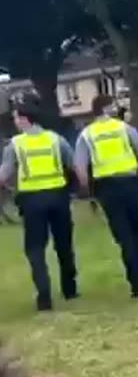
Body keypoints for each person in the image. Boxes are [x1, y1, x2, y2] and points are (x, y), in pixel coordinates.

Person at [74, 95, 138, 298]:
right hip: (129, 183)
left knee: (123, 234)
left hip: (106, 187)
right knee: (136, 229)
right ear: (106, 108)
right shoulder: (124, 128)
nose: (116, 109)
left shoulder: (86, 134)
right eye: (113, 105)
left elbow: (80, 166)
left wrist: (86, 190)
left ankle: (136, 283)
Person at [0, 96, 78, 311]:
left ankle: (44, 295)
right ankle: (70, 288)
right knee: (64, 244)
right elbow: (72, 164)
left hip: (32, 200)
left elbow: (4, 174)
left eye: (16, 118)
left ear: (25, 119)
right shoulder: (55, 139)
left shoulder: (15, 144)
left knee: (35, 248)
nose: (15, 121)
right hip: (58, 196)